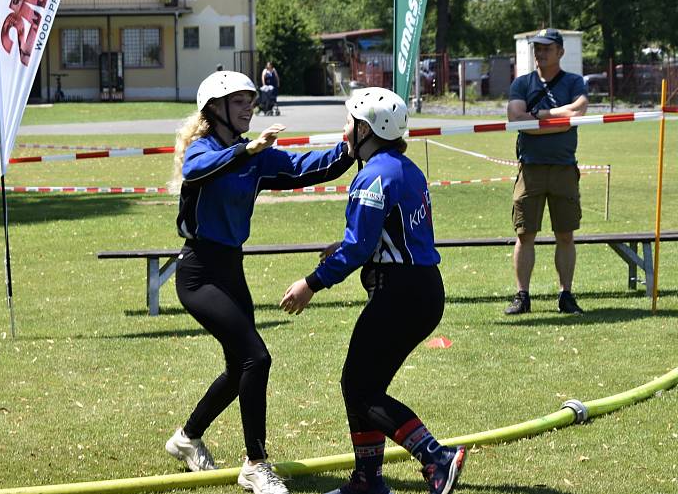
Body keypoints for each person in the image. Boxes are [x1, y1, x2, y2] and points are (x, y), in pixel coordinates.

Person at [165, 70, 354, 494]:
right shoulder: (204, 149)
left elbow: (306, 167)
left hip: (232, 269)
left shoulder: (255, 155)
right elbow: (198, 169)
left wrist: (350, 146)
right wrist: (247, 150)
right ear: (214, 109)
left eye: (251, 99)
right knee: (257, 358)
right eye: (239, 101)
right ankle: (255, 463)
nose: (249, 106)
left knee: (240, 368)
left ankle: (186, 438)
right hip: (198, 274)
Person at [280, 87, 467, 494]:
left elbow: (359, 248)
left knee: (359, 388)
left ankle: (436, 456)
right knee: (363, 385)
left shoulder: (374, 175)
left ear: (366, 128)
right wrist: (352, 244)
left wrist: (310, 284)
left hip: (400, 295)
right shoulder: (404, 167)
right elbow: (387, 234)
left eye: (349, 122)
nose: (345, 130)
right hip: (421, 290)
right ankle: (367, 480)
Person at [505, 28, 589, 315]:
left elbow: (578, 112)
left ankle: (566, 295)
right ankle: (522, 296)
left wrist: (538, 117)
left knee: (565, 235)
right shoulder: (522, 83)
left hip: (564, 169)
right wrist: (556, 117)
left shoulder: (574, 82)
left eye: (547, 48)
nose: (540, 53)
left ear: (560, 52)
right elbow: (516, 117)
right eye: (537, 49)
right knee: (525, 234)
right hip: (531, 169)